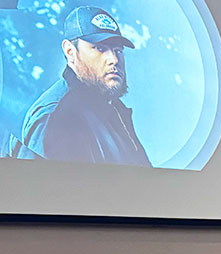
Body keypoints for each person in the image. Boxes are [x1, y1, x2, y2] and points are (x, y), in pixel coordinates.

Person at [16, 6, 150, 165]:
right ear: (70, 52)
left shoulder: (114, 109)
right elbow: (46, 187)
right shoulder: (56, 116)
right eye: (100, 48)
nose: (113, 59)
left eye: (118, 50)